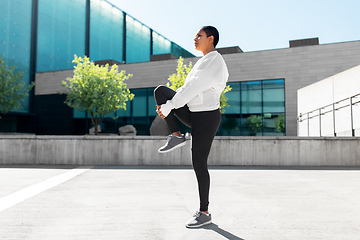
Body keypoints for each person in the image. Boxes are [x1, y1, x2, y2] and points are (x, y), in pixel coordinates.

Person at [153, 26, 229, 228]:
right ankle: (176, 135)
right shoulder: (202, 62)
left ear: (211, 39)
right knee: (161, 92)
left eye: (199, 36)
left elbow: (195, 86)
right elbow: (186, 89)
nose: (195, 39)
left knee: (199, 163)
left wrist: (170, 107)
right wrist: (169, 106)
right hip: (193, 112)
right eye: (195, 36)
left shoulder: (215, 61)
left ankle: (204, 212)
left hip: (207, 117)